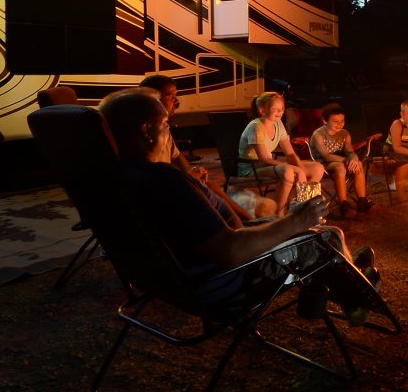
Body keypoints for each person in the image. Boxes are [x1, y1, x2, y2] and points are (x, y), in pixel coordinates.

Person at [99, 89, 382, 319]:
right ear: (148, 131)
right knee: (326, 236)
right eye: (166, 126)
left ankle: (342, 278)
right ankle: (358, 294)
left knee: (289, 230)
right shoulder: (165, 182)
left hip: (166, 282)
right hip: (223, 283)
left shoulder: (116, 179)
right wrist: (296, 221)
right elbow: (231, 251)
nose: (170, 134)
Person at [137, 74, 248, 223]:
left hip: (173, 182)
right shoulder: (145, 131)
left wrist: (192, 171)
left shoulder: (164, 129)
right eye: (170, 96)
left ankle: (246, 222)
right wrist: (187, 176)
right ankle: (237, 229)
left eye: (176, 96)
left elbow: (177, 158)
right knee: (204, 191)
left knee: (206, 184)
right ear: (153, 100)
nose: (176, 102)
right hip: (161, 193)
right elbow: (155, 171)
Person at [240, 90, 326, 213]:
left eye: (282, 108)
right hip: (251, 169)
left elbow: (290, 153)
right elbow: (264, 159)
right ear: (262, 110)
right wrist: (295, 169)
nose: (280, 112)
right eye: (276, 109)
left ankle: (298, 206)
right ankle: (277, 214)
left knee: (317, 168)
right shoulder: (256, 126)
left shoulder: (278, 124)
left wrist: (300, 168)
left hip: (266, 166)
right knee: (288, 171)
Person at [309, 104, 373, 217]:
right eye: (335, 121)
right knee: (340, 167)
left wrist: (354, 158)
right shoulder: (318, 134)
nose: (340, 124)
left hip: (340, 161)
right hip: (322, 163)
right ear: (325, 121)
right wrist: (347, 160)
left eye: (342, 121)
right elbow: (327, 156)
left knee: (357, 165)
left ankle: (362, 201)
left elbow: (349, 151)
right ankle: (343, 205)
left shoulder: (344, 133)